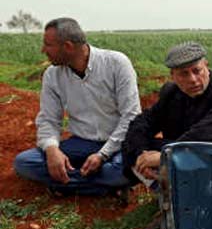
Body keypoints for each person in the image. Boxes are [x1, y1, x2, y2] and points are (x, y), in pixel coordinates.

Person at [13, 17, 140, 196]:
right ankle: (104, 187)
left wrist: (102, 155)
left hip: (119, 144)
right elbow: (48, 119)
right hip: (82, 143)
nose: (43, 50)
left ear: (68, 46)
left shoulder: (116, 63)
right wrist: (52, 150)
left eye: (48, 45)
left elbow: (131, 117)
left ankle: (65, 185)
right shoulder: (52, 75)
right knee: (24, 163)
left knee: (123, 169)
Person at [122, 42, 212, 185]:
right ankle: (163, 188)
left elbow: (206, 134)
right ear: (173, 76)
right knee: (130, 142)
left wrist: (166, 156)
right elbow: (143, 122)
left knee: (186, 154)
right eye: (184, 74)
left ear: (206, 66)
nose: (192, 79)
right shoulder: (171, 93)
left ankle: (178, 189)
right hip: (186, 153)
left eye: (197, 71)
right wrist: (141, 154)